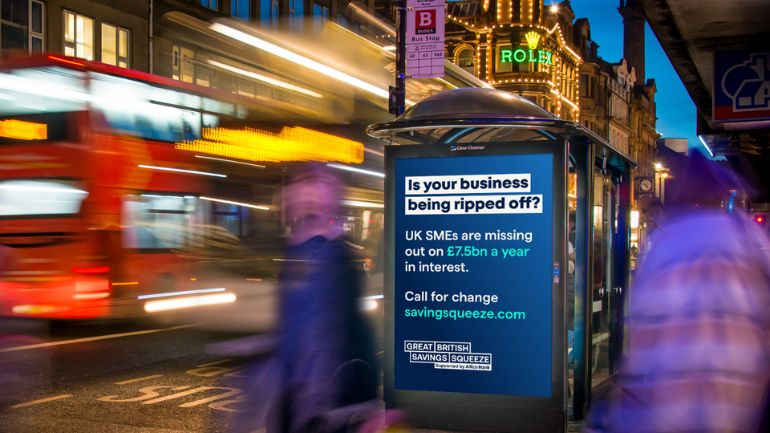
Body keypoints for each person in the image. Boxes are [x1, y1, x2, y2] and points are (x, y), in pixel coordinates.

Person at [585, 153, 770, 433]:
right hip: (734, 402)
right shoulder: (746, 240)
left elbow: (644, 327)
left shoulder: (667, 242)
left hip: (663, 407)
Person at [233, 163, 378, 433]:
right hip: (295, 390)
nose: (302, 199)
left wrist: (366, 397)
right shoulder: (294, 251)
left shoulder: (338, 255)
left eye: (314, 192)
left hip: (328, 394)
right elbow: (290, 321)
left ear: (330, 203)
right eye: (298, 192)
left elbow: (349, 326)